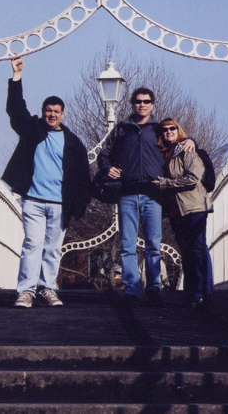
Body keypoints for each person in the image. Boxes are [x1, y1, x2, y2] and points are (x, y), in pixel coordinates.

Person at [2, 57, 91, 308]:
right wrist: (16, 77)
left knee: (53, 248)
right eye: (48, 111)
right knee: (32, 244)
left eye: (56, 112)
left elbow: (84, 178)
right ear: (43, 112)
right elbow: (15, 110)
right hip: (33, 199)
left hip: (60, 204)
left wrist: (79, 206)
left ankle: (48, 288)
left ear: (62, 114)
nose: (51, 115)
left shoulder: (73, 143)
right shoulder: (32, 129)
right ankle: (26, 291)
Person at [97, 88, 194, 306]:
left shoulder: (159, 129)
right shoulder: (122, 130)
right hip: (127, 194)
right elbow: (103, 155)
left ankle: (153, 289)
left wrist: (192, 140)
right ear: (132, 104)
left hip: (154, 195)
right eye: (138, 101)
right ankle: (132, 289)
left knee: (153, 244)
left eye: (146, 101)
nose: (142, 105)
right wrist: (107, 168)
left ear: (153, 104)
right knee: (128, 244)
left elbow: (178, 138)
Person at [152, 117, 213, 309]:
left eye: (172, 128)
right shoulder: (164, 154)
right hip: (176, 210)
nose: (169, 132)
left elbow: (193, 179)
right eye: (165, 130)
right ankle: (191, 293)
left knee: (197, 249)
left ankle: (202, 292)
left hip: (194, 208)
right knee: (186, 251)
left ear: (178, 130)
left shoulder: (186, 150)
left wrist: (165, 184)